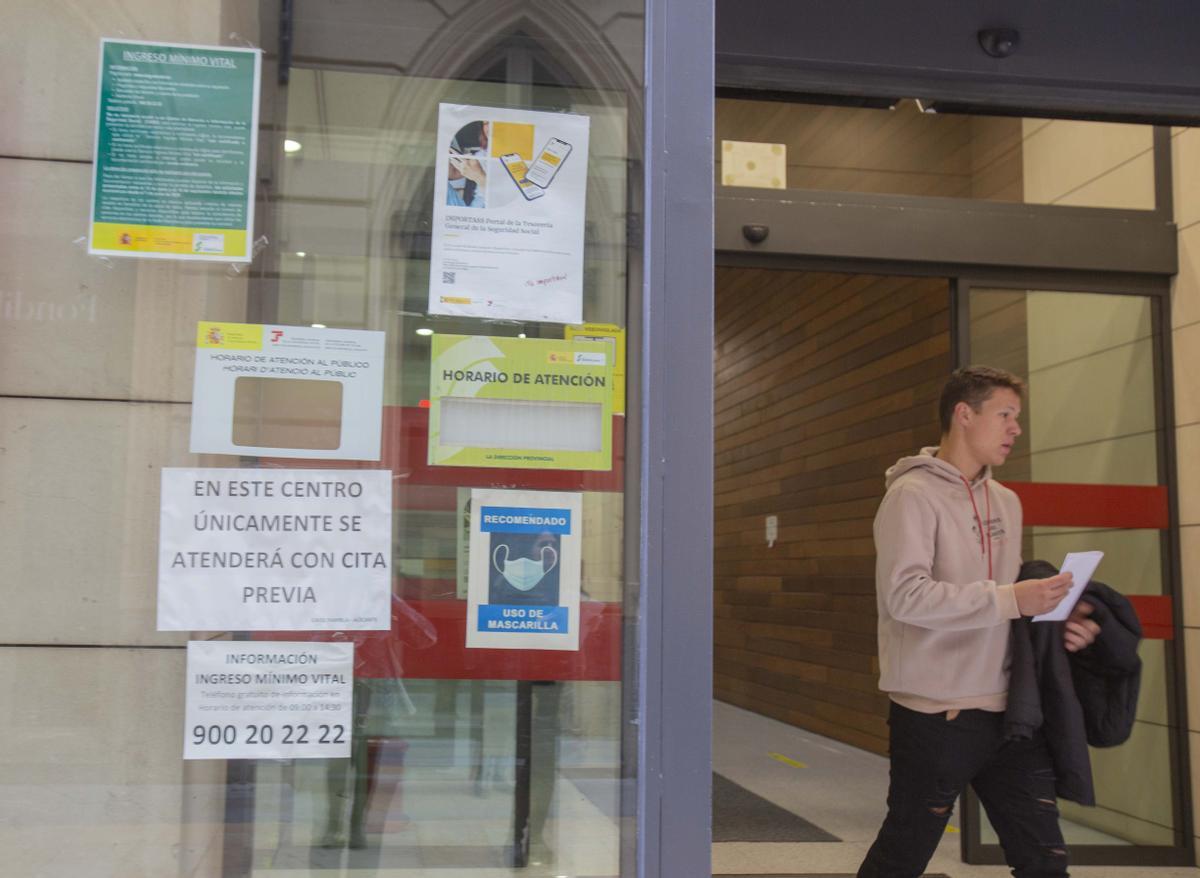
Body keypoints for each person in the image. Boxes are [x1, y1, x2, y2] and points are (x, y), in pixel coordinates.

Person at [857, 365, 1101, 878]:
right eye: (1005, 415)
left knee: (1044, 860)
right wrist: (1015, 598)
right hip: (937, 715)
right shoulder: (911, 496)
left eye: (1018, 417)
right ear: (964, 415)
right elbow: (906, 597)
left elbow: (1007, 603)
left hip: (1011, 713)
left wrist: (1057, 618)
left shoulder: (1006, 502)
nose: (1016, 428)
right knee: (902, 857)